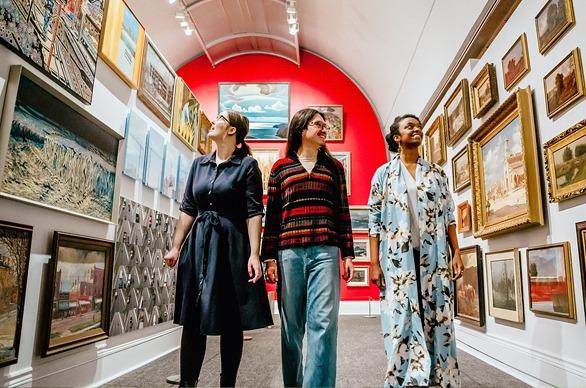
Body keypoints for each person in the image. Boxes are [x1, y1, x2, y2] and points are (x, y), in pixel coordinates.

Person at [164, 110, 273, 387]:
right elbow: (188, 207)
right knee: (193, 316)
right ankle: (188, 382)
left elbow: (253, 212)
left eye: (220, 118)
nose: (214, 121)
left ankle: (228, 384)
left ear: (232, 130)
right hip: (199, 245)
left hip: (231, 247)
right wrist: (176, 247)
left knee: (231, 319)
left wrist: (254, 254)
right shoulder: (199, 164)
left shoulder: (247, 165)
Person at [368, 114, 464, 387]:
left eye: (418, 125)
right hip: (397, 257)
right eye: (409, 126)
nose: (416, 129)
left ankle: (439, 374)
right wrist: (374, 263)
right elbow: (374, 221)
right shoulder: (383, 174)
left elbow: (449, 216)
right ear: (397, 137)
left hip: (434, 254)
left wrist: (457, 252)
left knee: (436, 310)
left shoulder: (436, 173)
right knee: (402, 313)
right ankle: (405, 375)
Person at [262, 108, 355, 388]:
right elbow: (273, 216)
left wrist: (348, 254)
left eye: (325, 125)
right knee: (291, 329)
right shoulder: (281, 168)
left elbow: (342, 211)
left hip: (325, 253)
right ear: (302, 129)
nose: (324, 129)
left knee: (324, 326)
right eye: (318, 124)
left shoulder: (335, 168)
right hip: (288, 254)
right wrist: (269, 258)